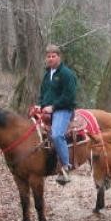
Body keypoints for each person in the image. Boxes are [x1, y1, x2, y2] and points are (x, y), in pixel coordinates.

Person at [38, 44, 78, 184]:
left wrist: (53, 107)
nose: (50, 59)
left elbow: (69, 96)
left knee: (56, 134)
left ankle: (66, 167)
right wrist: (42, 106)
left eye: (53, 56)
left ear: (59, 57)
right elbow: (43, 93)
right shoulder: (47, 75)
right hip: (48, 110)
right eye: (48, 56)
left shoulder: (66, 74)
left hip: (63, 109)